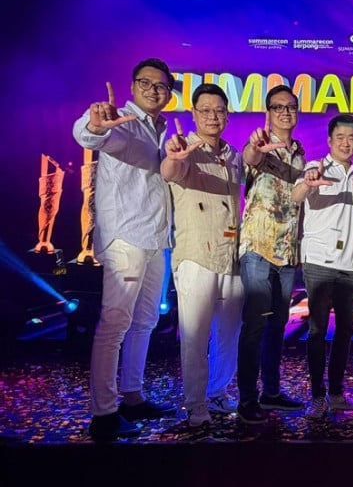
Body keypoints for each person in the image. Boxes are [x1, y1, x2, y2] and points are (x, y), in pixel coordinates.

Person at [72, 58, 177, 441]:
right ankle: (103, 413)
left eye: (161, 85)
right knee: (115, 323)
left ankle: (132, 396)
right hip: (126, 238)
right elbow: (91, 135)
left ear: (169, 93)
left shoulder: (160, 128)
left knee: (145, 321)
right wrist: (95, 126)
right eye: (145, 83)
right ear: (133, 87)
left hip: (156, 238)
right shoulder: (123, 122)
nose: (153, 90)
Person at [160, 83, 244, 427]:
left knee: (229, 334)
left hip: (231, 257)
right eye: (205, 110)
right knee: (195, 336)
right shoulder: (185, 150)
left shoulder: (233, 155)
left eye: (219, 110)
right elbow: (169, 172)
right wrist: (173, 158)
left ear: (227, 115)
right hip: (196, 255)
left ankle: (218, 392)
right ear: (194, 114)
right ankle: (195, 403)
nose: (213, 116)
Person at [235, 85, 306, 424]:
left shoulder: (300, 153)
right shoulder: (259, 145)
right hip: (258, 247)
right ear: (268, 113)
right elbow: (249, 159)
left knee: (277, 325)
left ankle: (271, 393)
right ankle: (247, 399)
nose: (285, 112)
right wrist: (254, 148)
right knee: (255, 324)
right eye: (278, 107)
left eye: (290, 106)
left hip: (287, 250)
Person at [292, 115, 353, 419]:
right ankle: (317, 397)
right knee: (317, 330)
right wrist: (308, 183)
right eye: (340, 137)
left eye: (351, 137)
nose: (346, 143)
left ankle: (335, 393)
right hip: (319, 261)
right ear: (330, 140)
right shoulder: (316, 167)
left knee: (346, 329)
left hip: (350, 264)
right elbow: (296, 196)